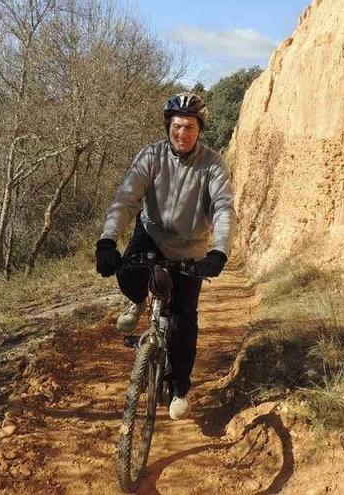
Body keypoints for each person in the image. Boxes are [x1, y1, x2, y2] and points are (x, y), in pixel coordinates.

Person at [95, 92, 238, 420]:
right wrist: (106, 240)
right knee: (128, 273)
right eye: (177, 126)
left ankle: (178, 388)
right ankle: (138, 300)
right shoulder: (152, 156)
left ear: (199, 129)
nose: (182, 133)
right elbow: (126, 199)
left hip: (191, 246)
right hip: (152, 235)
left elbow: (223, 208)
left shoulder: (213, 165)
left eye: (189, 126)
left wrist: (219, 250)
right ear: (168, 127)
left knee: (182, 321)